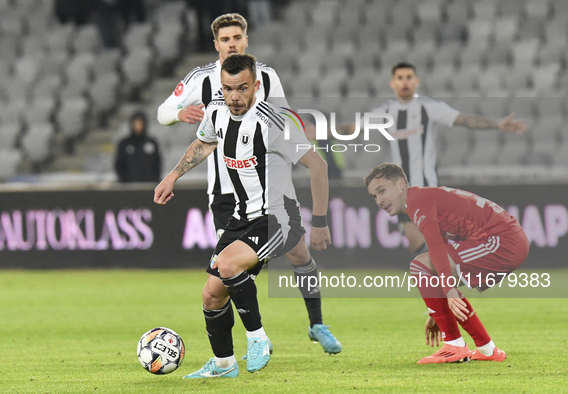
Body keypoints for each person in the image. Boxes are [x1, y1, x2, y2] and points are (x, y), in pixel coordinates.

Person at [157, 13, 341, 354]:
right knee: (230, 275)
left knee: (297, 253)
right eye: (224, 39)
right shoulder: (202, 81)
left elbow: (285, 120)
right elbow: (165, 113)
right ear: (216, 45)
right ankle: (242, 347)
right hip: (225, 193)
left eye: (236, 38)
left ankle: (314, 323)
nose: (231, 44)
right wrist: (178, 116)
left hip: (269, 188)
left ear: (245, 40)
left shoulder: (267, 77)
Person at [341, 62, 529, 255]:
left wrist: (498, 124)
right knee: (419, 242)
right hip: (400, 190)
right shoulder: (386, 112)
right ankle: (446, 275)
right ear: (393, 84)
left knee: (427, 242)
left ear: (416, 81)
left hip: (426, 186)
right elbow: (351, 128)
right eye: (400, 78)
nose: (404, 82)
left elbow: (463, 119)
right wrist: (320, 131)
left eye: (408, 77)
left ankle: (447, 274)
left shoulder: (428, 107)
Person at [365, 163, 529, 364]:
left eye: (382, 191)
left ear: (400, 184)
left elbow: (435, 246)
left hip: (501, 242)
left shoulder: (417, 201)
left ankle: (454, 345)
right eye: (374, 196)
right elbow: (442, 245)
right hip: (508, 240)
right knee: (430, 270)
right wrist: (438, 309)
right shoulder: (423, 197)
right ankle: (488, 350)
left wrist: (448, 291)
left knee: (420, 266)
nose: (380, 200)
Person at [115, 110, 161, 183]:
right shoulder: (124, 143)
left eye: (140, 123)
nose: (138, 126)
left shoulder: (152, 143)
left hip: (149, 185)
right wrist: (124, 181)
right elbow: (119, 165)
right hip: (129, 186)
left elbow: (157, 163)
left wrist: (154, 180)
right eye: (136, 123)